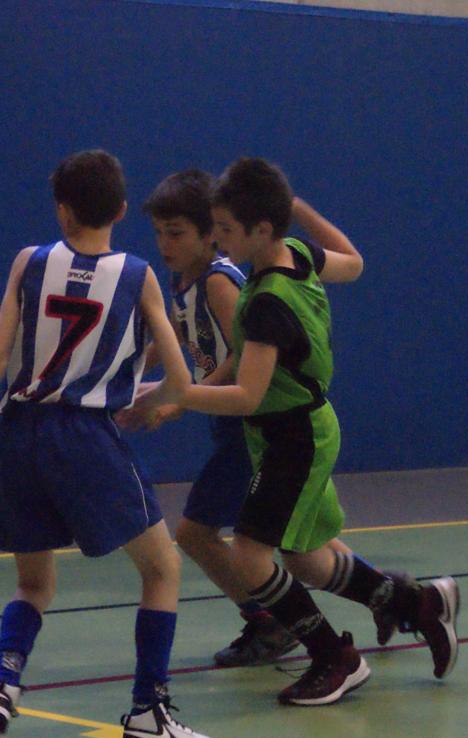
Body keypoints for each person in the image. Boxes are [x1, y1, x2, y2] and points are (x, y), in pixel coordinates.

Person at [138, 157, 460, 705]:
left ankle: (334, 657)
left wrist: (177, 396)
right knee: (306, 557)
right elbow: (355, 263)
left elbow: (247, 393)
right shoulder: (297, 255)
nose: (218, 239)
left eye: (227, 230)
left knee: (248, 556)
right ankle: (416, 604)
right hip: (294, 428)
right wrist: (300, 212)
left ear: (262, 229)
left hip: (291, 434)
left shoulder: (262, 301)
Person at [0, 149, 212, 738]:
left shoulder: (28, 263)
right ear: (121, 209)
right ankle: (150, 714)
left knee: (33, 582)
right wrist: (154, 405)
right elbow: (180, 373)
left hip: (18, 433)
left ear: (62, 210)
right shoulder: (139, 275)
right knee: (162, 569)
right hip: (86, 438)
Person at [124, 169, 358, 668]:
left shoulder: (220, 283)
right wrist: (131, 372)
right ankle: (401, 599)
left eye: (177, 233)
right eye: (160, 233)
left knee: (194, 532)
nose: (165, 244)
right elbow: (184, 343)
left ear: (211, 231)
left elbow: (239, 359)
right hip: (231, 422)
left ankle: (269, 620)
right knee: (308, 544)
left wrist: (180, 399)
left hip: (249, 424)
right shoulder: (182, 279)